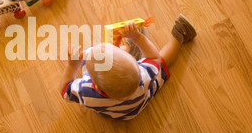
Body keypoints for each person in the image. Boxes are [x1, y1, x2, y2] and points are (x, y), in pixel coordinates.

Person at [59, 14, 197, 120]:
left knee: (86, 56)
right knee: (162, 62)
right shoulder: (143, 77)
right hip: (138, 103)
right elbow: (154, 58)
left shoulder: (86, 92)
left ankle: (130, 49)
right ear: (137, 67)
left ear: (96, 85)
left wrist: (72, 65)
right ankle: (179, 36)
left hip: (117, 115)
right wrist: (138, 38)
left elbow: (64, 90)